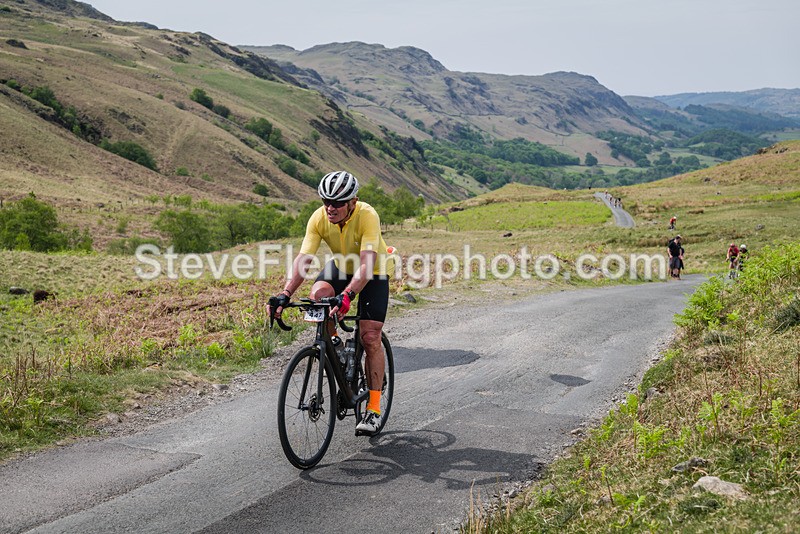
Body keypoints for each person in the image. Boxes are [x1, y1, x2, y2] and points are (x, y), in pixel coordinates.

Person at [267, 171, 393, 436]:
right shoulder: (319, 217)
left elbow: (367, 264)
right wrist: (285, 294)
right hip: (340, 267)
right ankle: (334, 342)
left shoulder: (367, 215)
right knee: (318, 295)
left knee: (370, 336)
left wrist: (347, 295)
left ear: (353, 202)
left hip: (373, 271)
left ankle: (373, 408)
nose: (330, 207)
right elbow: (304, 260)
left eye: (337, 202)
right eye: (326, 200)